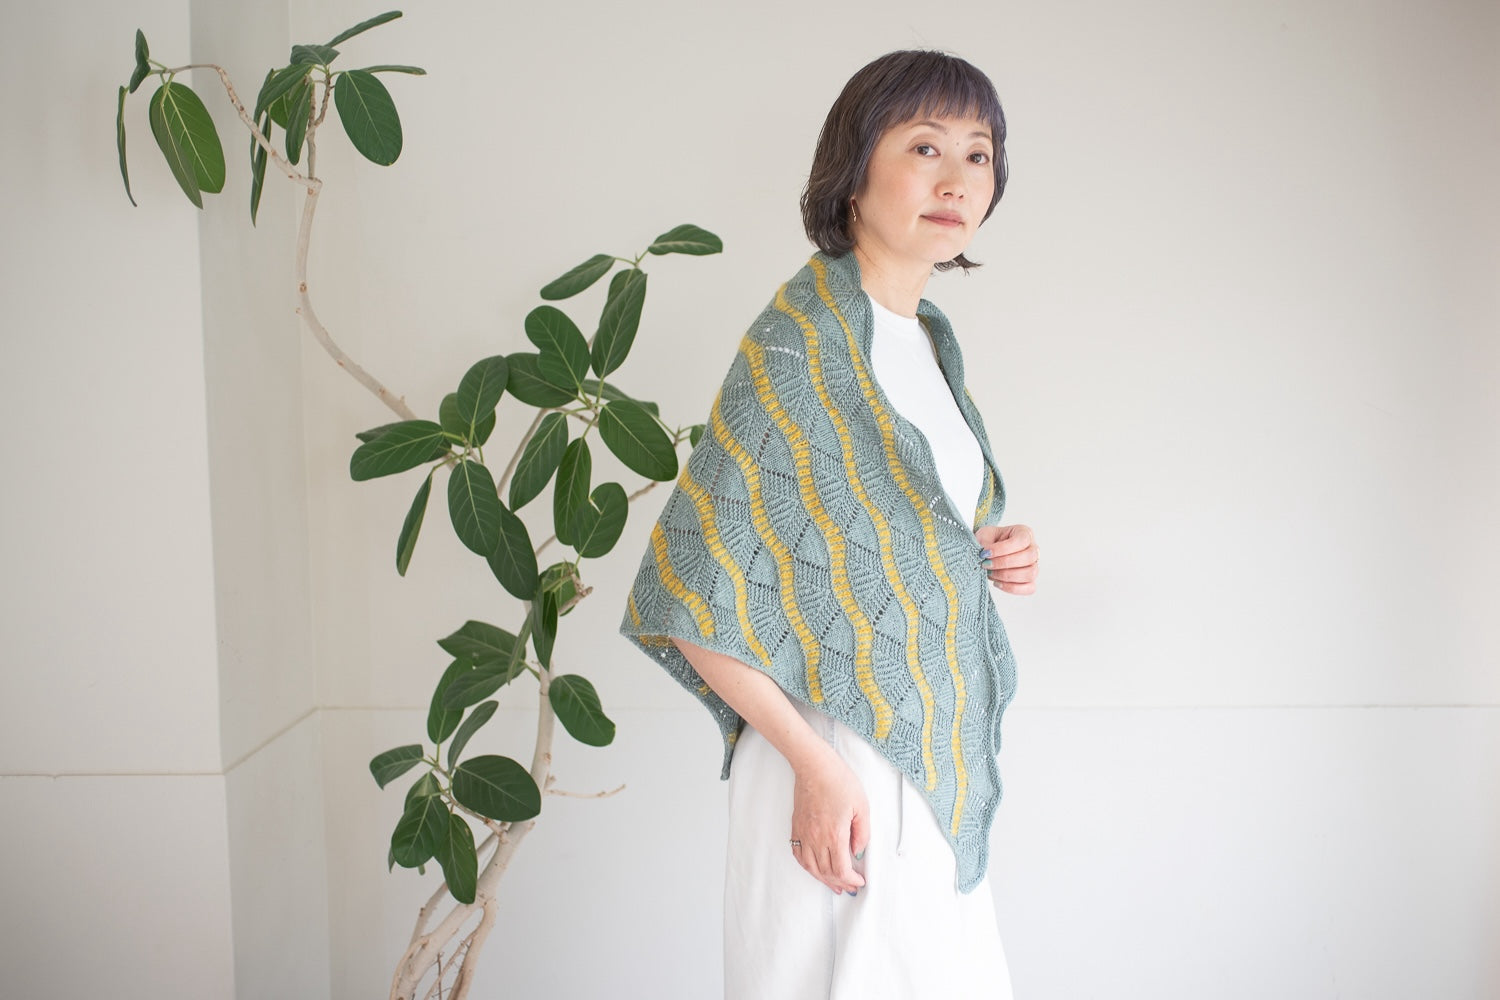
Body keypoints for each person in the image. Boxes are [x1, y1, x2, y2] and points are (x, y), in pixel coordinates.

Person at [618, 49, 1039, 999]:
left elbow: (889, 538)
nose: (956, 178)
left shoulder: (928, 341)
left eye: (978, 154)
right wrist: (815, 769)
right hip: (834, 763)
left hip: (922, 758)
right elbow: (683, 594)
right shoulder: (801, 342)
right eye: (924, 146)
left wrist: (992, 552)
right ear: (853, 168)